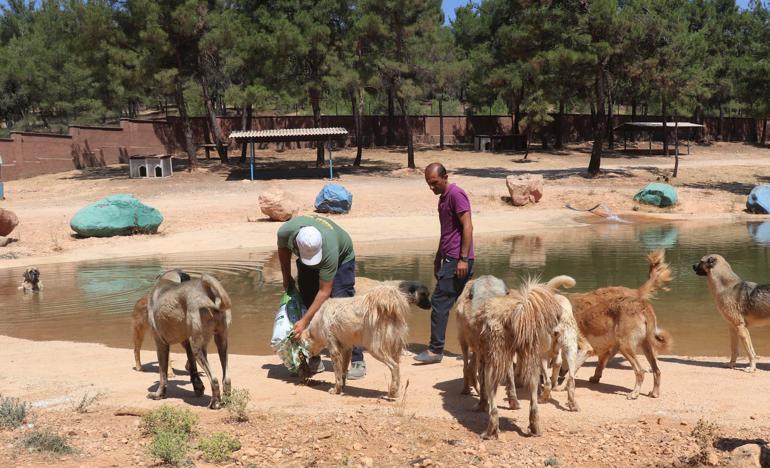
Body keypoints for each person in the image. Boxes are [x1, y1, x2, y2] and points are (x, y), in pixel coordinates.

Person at [277, 214, 366, 379]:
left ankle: (357, 360)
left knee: (345, 311)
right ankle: (313, 357)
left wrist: (303, 322)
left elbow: (325, 292)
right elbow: (283, 250)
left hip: (342, 260)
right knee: (307, 300)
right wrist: (286, 277)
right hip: (309, 261)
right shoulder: (286, 231)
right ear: (296, 242)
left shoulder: (330, 250)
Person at [414, 162, 475, 364]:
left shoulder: (456, 195)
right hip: (449, 259)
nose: (432, 187)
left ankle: (435, 350)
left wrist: (463, 259)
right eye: (428, 184)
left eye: (434, 182)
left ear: (445, 177)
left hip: (458, 260)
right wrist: (437, 257)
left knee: (440, 303)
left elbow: (468, 226)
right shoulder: (443, 199)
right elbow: (447, 232)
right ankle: (476, 347)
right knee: (465, 305)